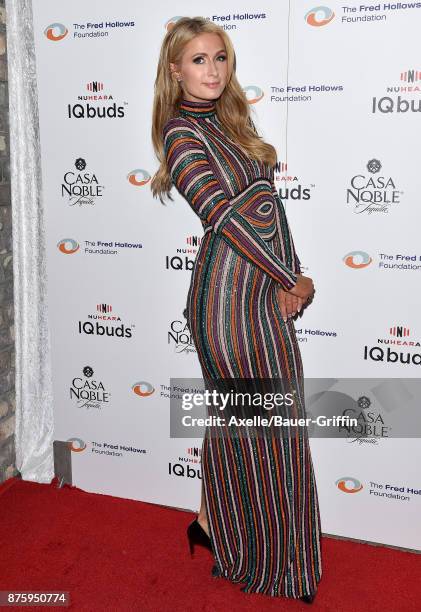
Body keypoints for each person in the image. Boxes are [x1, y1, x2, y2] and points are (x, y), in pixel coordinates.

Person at [151, 16, 322, 604]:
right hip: (224, 306)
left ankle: (210, 522)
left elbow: (272, 209)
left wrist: (292, 273)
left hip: (263, 294)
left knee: (250, 424)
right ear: (174, 70)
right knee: (260, 427)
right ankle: (270, 562)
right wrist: (288, 277)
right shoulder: (180, 134)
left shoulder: (234, 125)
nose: (212, 70)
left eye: (219, 58)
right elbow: (223, 217)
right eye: (198, 60)